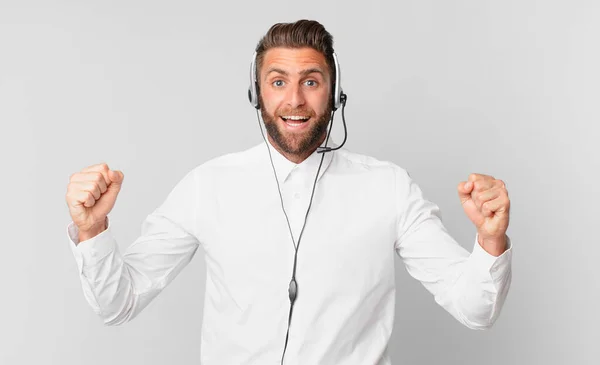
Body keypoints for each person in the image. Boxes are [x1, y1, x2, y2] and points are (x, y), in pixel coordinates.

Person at [65, 19, 512, 365]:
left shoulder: (389, 188)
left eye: (311, 82)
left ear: (335, 95)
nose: (295, 100)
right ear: (256, 94)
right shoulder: (207, 186)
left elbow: (475, 309)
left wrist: (490, 241)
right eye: (278, 82)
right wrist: (93, 229)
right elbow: (117, 304)